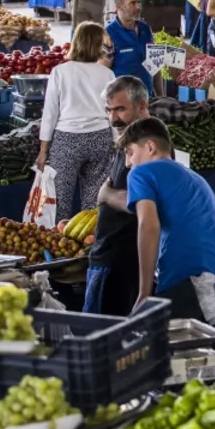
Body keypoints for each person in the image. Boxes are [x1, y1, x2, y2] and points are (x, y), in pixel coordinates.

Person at [121, 118, 215, 329]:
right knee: (208, 359)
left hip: (187, 279)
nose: (128, 163)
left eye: (129, 152)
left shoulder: (141, 173)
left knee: (175, 359)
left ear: (150, 146)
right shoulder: (195, 178)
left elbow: (149, 225)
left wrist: (144, 294)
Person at [83, 75, 149, 316]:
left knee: (104, 340)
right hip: (108, 256)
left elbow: (141, 203)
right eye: (109, 110)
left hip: (119, 261)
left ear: (142, 105)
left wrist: (106, 194)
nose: (113, 118)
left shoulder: (147, 145)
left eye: (120, 109)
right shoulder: (131, 139)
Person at [37, 22, 116, 222]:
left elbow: (50, 114)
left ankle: (59, 246)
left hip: (66, 141)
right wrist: (116, 143)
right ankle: (91, 245)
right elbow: (112, 113)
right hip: (100, 138)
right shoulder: (107, 74)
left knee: (59, 202)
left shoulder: (60, 72)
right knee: (94, 203)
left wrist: (43, 150)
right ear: (97, 45)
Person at [104, 0, 157, 96]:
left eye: (138, 2)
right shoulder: (108, 34)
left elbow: (155, 62)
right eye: (132, 3)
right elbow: (103, 70)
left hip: (147, 96)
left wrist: (160, 94)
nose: (138, 7)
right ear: (118, 6)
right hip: (123, 100)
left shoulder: (145, 29)